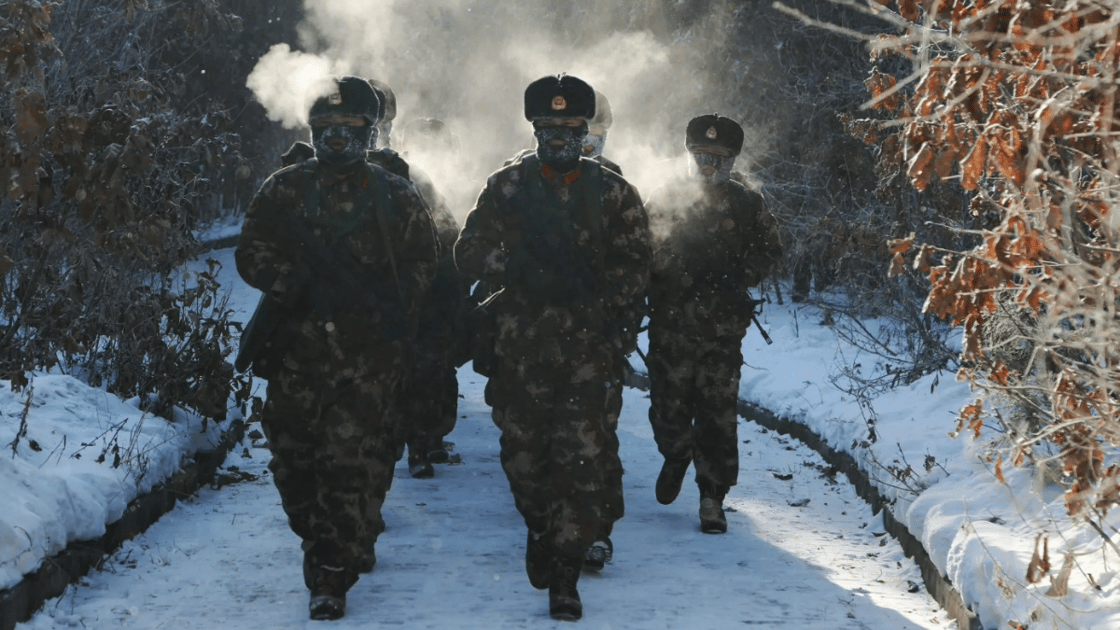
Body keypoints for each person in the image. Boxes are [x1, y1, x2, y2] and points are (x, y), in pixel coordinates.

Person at [234, 75, 439, 620]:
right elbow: (251, 250)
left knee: (348, 466)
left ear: (369, 134)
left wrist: (385, 299)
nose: (338, 141)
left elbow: (426, 258)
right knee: (292, 463)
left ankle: (330, 575)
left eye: (350, 130)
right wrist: (289, 281)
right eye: (327, 130)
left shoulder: (394, 194)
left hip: (369, 358)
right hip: (297, 352)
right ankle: (322, 538)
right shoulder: (285, 189)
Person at [453, 74, 650, 621]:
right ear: (534, 130)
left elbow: (638, 263)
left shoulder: (613, 193)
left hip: (588, 351)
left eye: (569, 128)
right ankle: (541, 531)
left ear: (585, 131)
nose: (559, 137)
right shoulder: (507, 187)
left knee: (581, 462)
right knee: (524, 460)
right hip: (521, 348)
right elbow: (468, 250)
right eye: (549, 127)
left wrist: (598, 294)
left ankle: (565, 574)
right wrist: (516, 271)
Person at [644, 114, 782, 534]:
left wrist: (737, 275)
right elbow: (640, 248)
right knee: (668, 409)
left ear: (732, 160)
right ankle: (676, 453)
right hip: (671, 326)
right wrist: (675, 269)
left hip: (722, 332)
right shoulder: (665, 198)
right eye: (701, 155)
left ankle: (712, 498)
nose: (708, 164)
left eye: (718, 157)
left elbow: (771, 250)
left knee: (717, 416)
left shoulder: (746, 203)